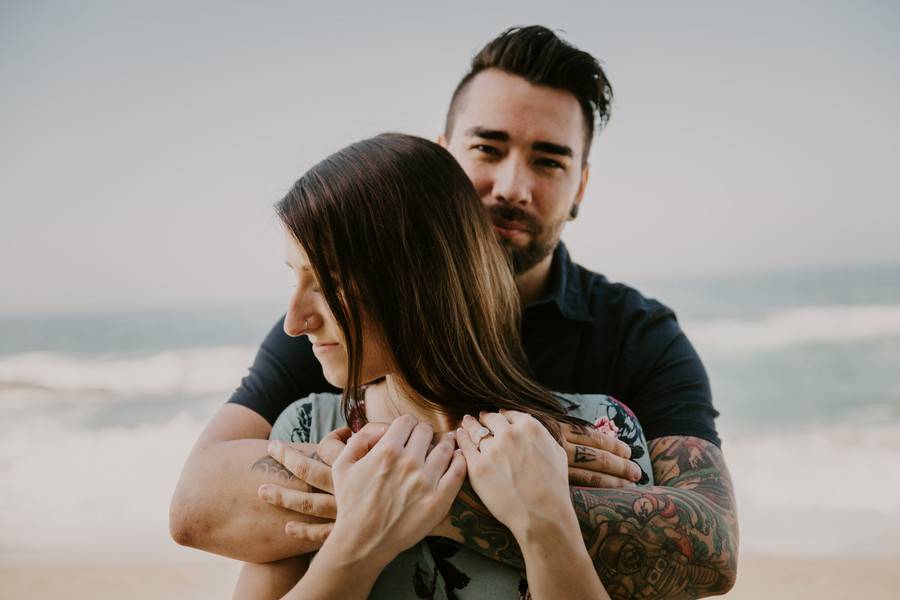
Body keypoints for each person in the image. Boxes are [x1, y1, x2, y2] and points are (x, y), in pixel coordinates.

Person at [170, 25, 738, 598]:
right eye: (488, 149)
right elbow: (197, 502)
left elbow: (710, 547)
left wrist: (499, 487)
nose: (512, 186)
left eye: (549, 162)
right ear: (442, 160)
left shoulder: (636, 337)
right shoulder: (337, 336)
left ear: (581, 187)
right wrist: (389, 485)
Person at [234, 132, 644, 598]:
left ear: (419, 281)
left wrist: (546, 528)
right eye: (295, 277)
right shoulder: (309, 432)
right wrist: (356, 545)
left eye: (328, 282)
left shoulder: (603, 437)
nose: (294, 322)